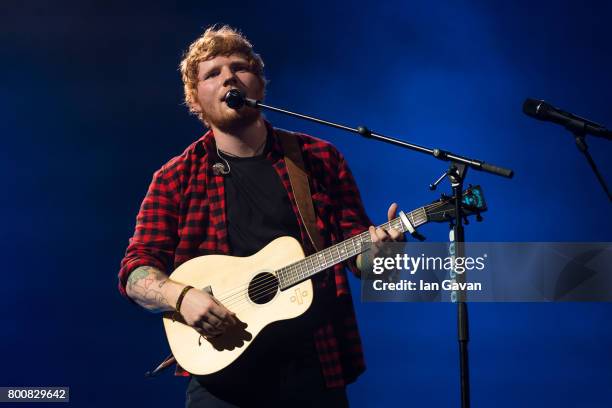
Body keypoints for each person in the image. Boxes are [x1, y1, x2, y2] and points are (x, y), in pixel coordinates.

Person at [118, 25, 404, 407]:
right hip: (221, 379)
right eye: (212, 73)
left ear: (258, 85)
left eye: (240, 67)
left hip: (315, 366)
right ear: (195, 100)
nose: (229, 77)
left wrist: (381, 255)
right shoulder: (175, 178)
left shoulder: (318, 158)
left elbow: (359, 256)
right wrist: (181, 296)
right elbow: (135, 271)